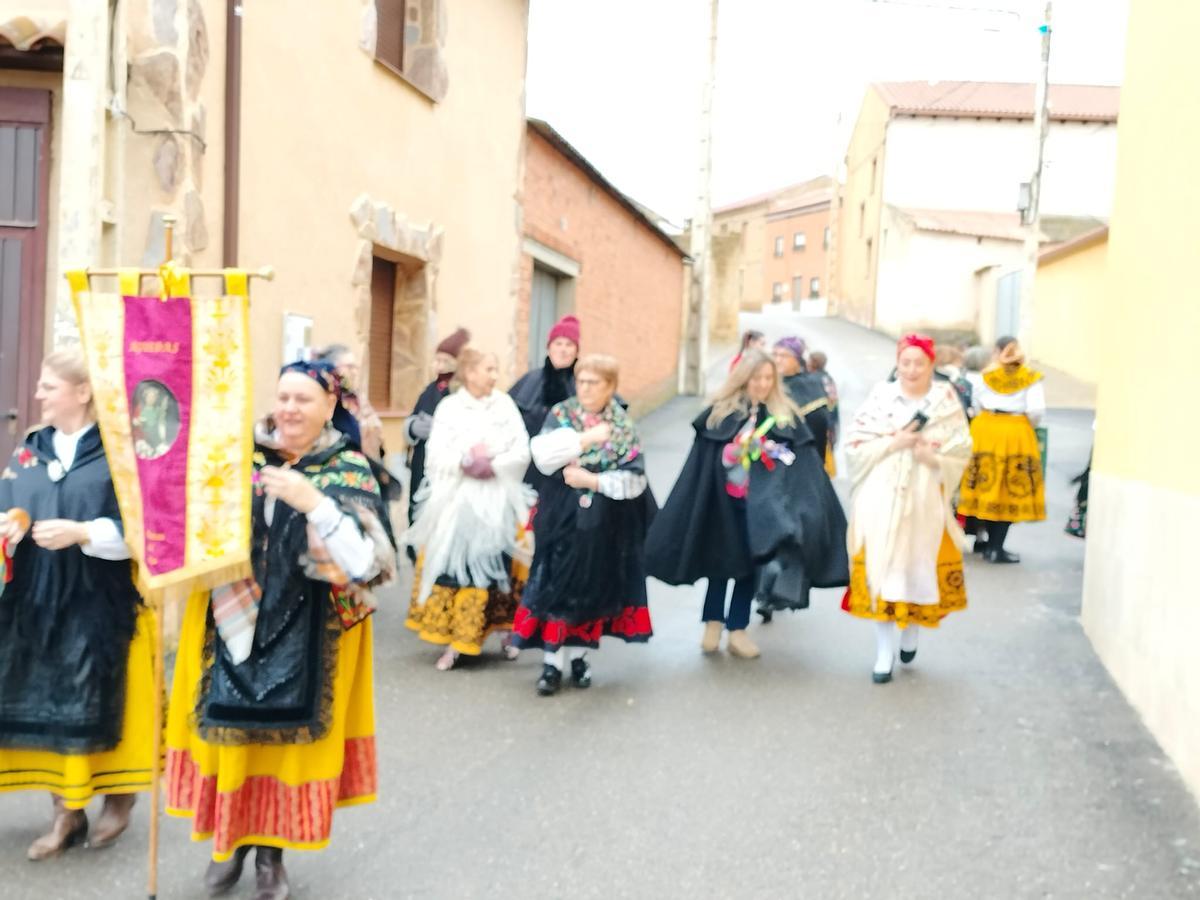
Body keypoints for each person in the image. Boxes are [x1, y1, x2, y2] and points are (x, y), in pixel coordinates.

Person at [166, 360, 397, 899]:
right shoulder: (237, 458)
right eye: (283, 397)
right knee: (231, 735)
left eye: (304, 399)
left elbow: (368, 565)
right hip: (229, 619)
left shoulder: (347, 468)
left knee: (284, 745)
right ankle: (229, 845)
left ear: (329, 407)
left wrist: (311, 502)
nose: (290, 409)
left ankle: (271, 855)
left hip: (311, 625)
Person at [0, 348, 151, 860]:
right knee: (51, 699)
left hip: (99, 595)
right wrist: (14, 522)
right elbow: (12, 500)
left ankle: (118, 794)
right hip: (38, 595)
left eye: (49, 385)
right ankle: (66, 811)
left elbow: (144, 530)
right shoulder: (30, 449)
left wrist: (84, 531)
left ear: (83, 393)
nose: (38, 393)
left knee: (98, 697)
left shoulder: (118, 451)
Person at [645, 350, 849, 659]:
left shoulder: (784, 414)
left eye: (769, 378)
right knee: (718, 562)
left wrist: (775, 454)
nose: (763, 384)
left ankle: (737, 630)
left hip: (763, 508)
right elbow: (708, 459)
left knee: (748, 566)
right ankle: (712, 623)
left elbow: (799, 461)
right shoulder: (722, 413)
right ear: (744, 379)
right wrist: (734, 451)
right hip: (722, 501)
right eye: (757, 378)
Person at [510, 354, 656, 695]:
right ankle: (551, 663)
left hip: (604, 518)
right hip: (561, 514)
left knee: (593, 585)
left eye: (594, 382)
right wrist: (585, 439)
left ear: (610, 387)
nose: (586, 388)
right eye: (582, 381)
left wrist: (594, 481)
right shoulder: (562, 414)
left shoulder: (622, 426)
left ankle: (579, 659)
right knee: (556, 581)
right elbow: (544, 458)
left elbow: (636, 479)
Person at [841, 334, 973, 683]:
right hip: (881, 496)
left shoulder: (945, 403)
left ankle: (912, 628)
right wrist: (892, 442)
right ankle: (883, 654)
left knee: (916, 568)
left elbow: (961, 449)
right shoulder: (880, 399)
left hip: (924, 498)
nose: (912, 370)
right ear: (897, 365)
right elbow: (855, 443)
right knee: (882, 570)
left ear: (931, 366)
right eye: (906, 363)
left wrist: (933, 458)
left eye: (919, 363)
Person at [405, 348, 534, 670]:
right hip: (459, 502)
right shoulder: (450, 407)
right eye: (489, 368)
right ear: (470, 372)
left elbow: (521, 448)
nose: (495, 375)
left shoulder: (504, 404)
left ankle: (505, 633)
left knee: (500, 568)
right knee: (456, 570)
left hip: (497, 501)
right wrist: (465, 461)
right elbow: (435, 454)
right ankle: (457, 640)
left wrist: (493, 463)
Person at [957, 336, 1046, 563]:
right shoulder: (1031, 378)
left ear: (997, 351)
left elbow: (975, 404)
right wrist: (1024, 425)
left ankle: (981, 540)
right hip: (1015, 431)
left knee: (983, 484)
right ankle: (996, 547)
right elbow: (1036, 411)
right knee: (1008, 489)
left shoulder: (985, 375)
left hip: (985, 429)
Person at [403, 327, 470, 559]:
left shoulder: (461, 391)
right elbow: (414, 413)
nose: (439, 365)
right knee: (417, 504)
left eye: (445, 360)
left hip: (446, 466)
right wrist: (412, 427)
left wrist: (441, 429)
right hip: (422, 459)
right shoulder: (431, 389)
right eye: (437, 359)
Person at [510, 315, 580, 465]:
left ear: (576, 351)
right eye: (558, 343)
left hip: (567, 464)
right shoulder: (531, 378)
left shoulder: (583, 383)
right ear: (549, 348)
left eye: (569, 345)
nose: (563, 350)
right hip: (526, 460)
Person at [314, 344, 385, 461]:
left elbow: (375, 430)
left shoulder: (357, 399)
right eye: (350, 367)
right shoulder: (322, 399)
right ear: (333, 368)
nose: (355, 372)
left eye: (356, 368)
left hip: (365, 463)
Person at [771, 336, 833, 463]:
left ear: (797, 359)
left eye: (784, 356)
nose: (777, 360)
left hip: (802, 454)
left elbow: (819, 425)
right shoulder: (768, 383)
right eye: (774, 354)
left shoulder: (811, 384)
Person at [808, 350, 840, 455]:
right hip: (831, 423)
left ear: (813, 363)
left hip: (820, 424)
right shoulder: (828, 378)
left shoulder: (812, 380)